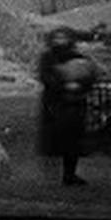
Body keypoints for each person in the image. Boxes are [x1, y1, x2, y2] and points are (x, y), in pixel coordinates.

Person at [39, 27, 94, 186]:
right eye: (57, 37)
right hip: (55, 103)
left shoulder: (78, 56)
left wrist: (80, 85)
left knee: (73, 140)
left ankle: (69, 173)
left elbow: (89, 75)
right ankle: (58, 172)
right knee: (57, 139)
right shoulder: (48, 57)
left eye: (63, 37)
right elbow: (45, 76)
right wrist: (63, 85)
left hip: (76, 102)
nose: (60, 40)